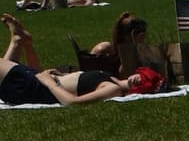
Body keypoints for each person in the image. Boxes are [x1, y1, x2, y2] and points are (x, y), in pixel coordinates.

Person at [0, 13, 136, 105]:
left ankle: (18, 41)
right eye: (142, 75)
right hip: (37, 82)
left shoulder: (113, 89)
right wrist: (61, 76)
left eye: (145, 82)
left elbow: (73, 103)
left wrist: (50, 83)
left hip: (32, 88)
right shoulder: (113, 79)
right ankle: (19, 42)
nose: (139, 78)